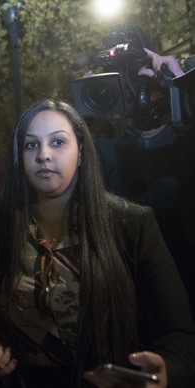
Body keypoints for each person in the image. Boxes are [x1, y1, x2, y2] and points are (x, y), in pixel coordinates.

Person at [0, 99, 195, 387]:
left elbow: (179, 334)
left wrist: (165, 372)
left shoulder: (131, 224)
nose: (44, 155)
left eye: (58, 142)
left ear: (82, 151)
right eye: (31, 145)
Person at [95, 48, 195, 318]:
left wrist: (182, 80)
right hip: (128, 300)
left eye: (148, 85)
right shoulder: (101, 152)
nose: (140, 94)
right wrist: (84, 108)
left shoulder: (186, 143)